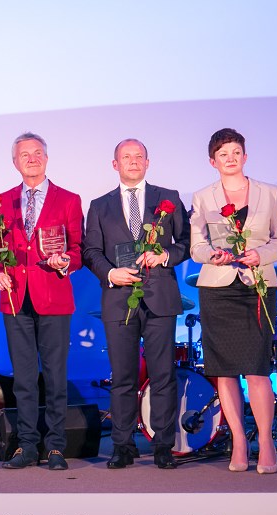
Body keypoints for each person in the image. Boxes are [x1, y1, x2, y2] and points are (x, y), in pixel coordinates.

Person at [82, 139, 190, 469]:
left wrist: (165, 255)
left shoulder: (168, 198)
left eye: (138, 156)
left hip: (160, 297)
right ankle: (123, 446)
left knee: (163, 375)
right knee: (123, 377)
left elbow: (187, 243)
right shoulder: (99, 206)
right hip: (118, 298)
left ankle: (163, 445)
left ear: (147, 162)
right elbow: (90, 251)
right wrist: (111, 273)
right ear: (115, 164)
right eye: (126, 157)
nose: (133, 161)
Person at [190, 128, 277, 474]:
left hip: (257, 286)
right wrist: (211, 256)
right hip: (217, 288)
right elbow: (196, 246)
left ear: (245, 156)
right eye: (223, 154)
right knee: (225, 371)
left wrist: (261, 254)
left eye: (235, 152)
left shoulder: (269, 192)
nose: (230, 158)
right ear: (212, 161)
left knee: (257, 369)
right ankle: (239, 442)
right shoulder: (203, 197)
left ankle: (266, 442)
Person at [0, 132, 83, 470]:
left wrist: (66, 261)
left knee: (55, 376)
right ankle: (27, 446)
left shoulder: (68, 199)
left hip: (53, 296)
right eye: (24, 154)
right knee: (24, 378)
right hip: (15, 297)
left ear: (47, 157)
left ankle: (55, 446)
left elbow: (78, 249)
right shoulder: (2, 202)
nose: (31, 158)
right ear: (15, 162)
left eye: (37, 152)